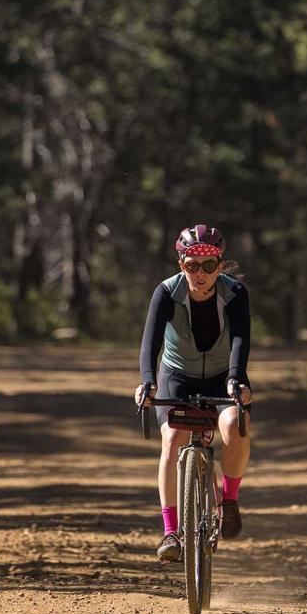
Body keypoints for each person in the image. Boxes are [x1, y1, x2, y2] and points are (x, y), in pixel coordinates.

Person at [135, 224, 252, 562]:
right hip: (177, 376)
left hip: (222, 375)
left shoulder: (235, 294)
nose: (200, 275)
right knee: (172, 439)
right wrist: (147, 381)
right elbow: (151, 341)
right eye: (191, 266)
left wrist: (236, 379)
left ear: (221, 265)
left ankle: (228, 500)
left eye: (209, 266)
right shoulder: (166, 293)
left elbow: (241, 340)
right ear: (181, 264)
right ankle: (170, 531)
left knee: (233, 426)